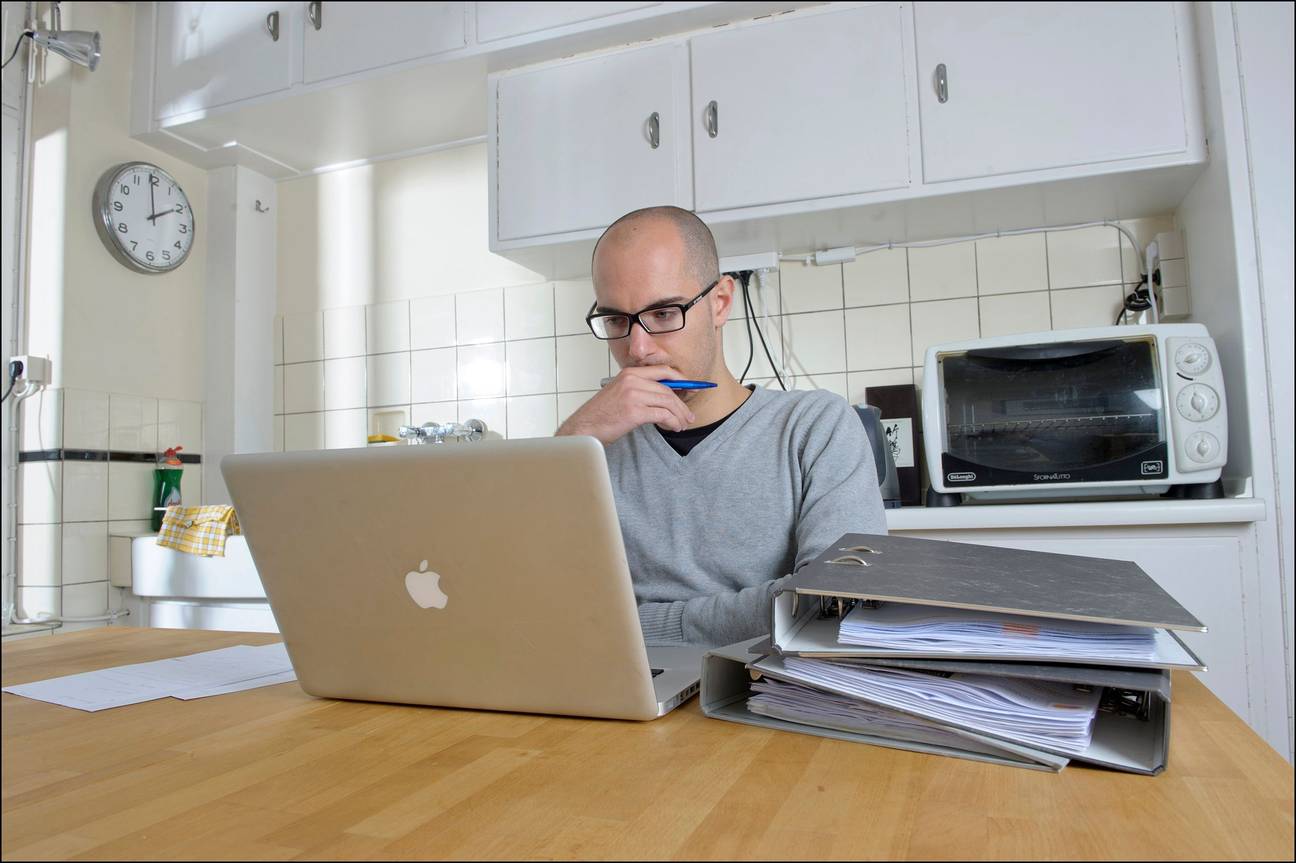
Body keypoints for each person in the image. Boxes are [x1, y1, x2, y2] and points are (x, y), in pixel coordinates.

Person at [556, 206, 886, 646]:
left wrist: (639, 626)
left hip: (770, 691)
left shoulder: (815, 427)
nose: (637, 348)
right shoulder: (585, 447)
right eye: (616, 320)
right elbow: (533, 608)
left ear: (720, 303)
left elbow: (835, 603)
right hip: (619, 691)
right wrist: (570, 445)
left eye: (664, 313)